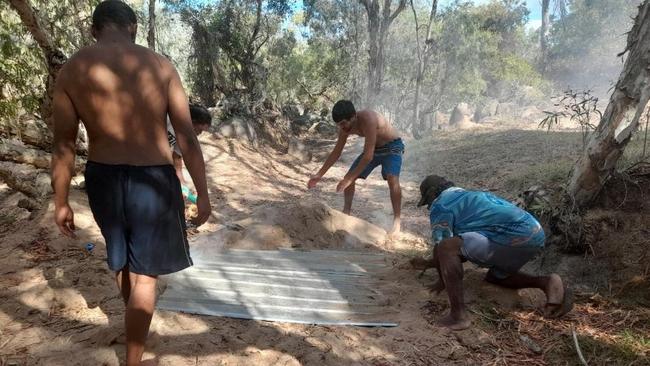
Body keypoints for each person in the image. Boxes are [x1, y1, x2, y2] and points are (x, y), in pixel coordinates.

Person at [50, 1, 211, 365]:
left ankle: (133, 327)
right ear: (134, 28)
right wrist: (202, 194)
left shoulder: (72, 70)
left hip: (103, 177)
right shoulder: (160, 65)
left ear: (95, 30)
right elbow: (186, 135)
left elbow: (62, 144)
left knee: (123, 265)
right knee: (146, 276)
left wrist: (60, 201)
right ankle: (134, 359)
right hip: (152, 179)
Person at [415, 175, 573, 330]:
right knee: (496, 278)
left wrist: (441, 280)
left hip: (510, 237)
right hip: (534, 233)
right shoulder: (469, 195)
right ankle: (546, 282)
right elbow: (462, 252)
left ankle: (458, 316)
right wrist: (429, 263)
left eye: (427, 202)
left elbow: (443, 246)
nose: (429, 207)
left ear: (432, 194)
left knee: (446, 247)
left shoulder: (441, 204)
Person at [307, 100, 404, 234]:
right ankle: (346, 213)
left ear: (353, 116)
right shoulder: (343, 127)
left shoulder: (368, 119)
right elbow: (336, 152)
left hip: (392, 146)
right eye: (339, 125)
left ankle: (397, 221)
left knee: (392, 178)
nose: (342, 127)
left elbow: (367, 157)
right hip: (374, 149)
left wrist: (348, 180)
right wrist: (319, 174)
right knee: (349, 177)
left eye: (343, 123)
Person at [167, 104, 211, 199]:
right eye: (200, 130)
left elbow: (177, 156)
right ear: (193, 122)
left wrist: (182, 182)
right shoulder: (168, 120)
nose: (200, 134)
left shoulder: (184, 135)